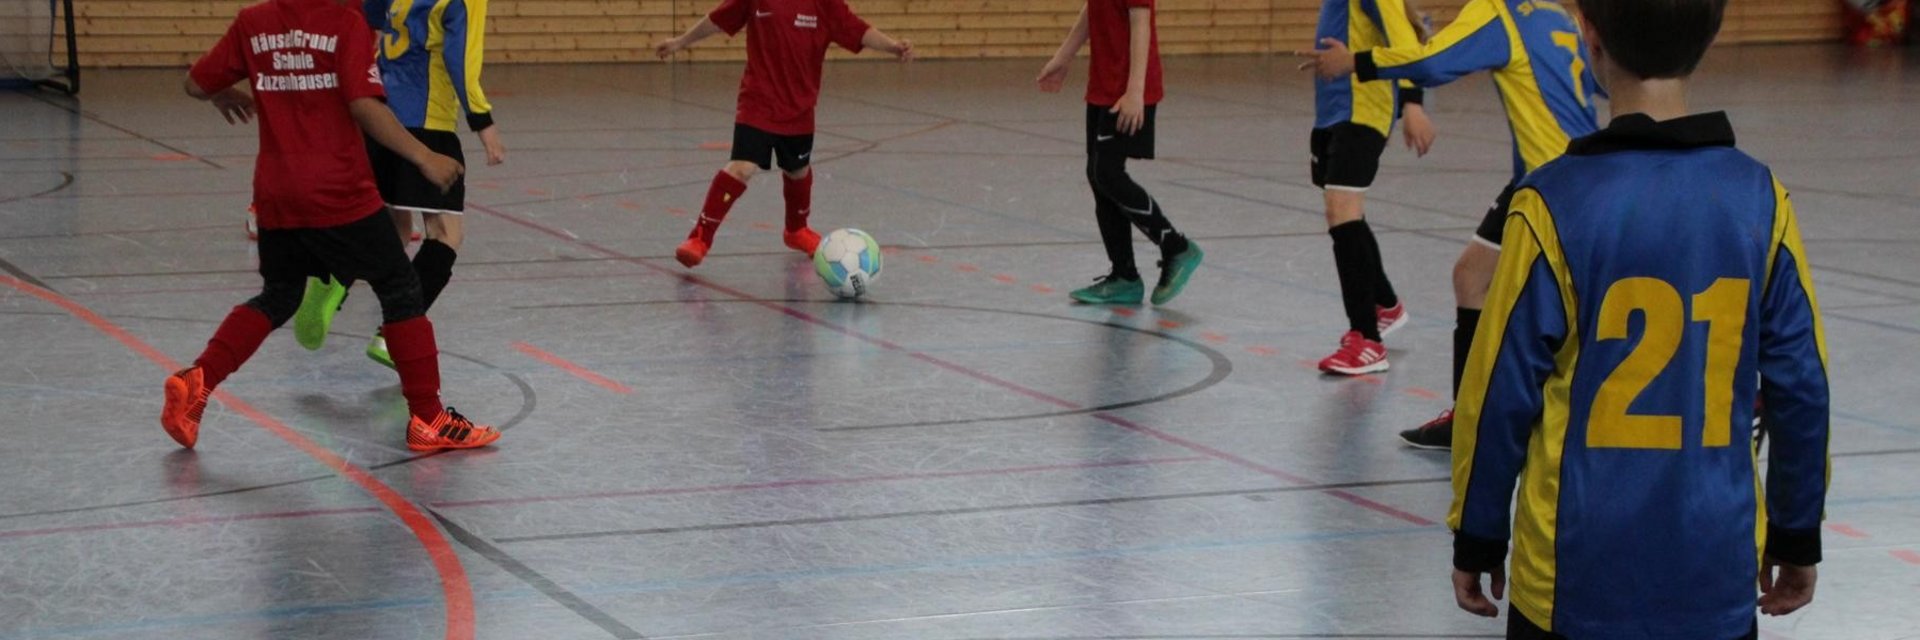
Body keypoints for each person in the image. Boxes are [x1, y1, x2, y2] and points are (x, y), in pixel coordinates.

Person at [1444, 0, 1830, 635]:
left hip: (1573, 575)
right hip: (1715, 567)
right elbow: (1802, 389)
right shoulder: (1762, 198)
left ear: (1588, 33)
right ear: (1713, 33)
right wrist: (1796, 533)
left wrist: (1478, 534)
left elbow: (1498, 392)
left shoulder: (1548, 201)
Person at [164, 0, 501, 452]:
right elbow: (364, 104)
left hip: (277, 191)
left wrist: (223, 93)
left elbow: (195, 83)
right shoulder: (346, 22)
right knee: (400, 288)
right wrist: (424, 157)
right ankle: (428, 419)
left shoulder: (253, 22)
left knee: (279, 294)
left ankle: (196, 382)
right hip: (338, 189)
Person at [1298, 0, 1602, 442]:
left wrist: (1356, 62)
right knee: (1471, 276)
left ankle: (1585, 417)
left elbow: (1432, 62)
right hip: (1559, 171)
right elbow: (1601, 80)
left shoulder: (1499, 11)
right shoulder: (1557, 14)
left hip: (1554, 183)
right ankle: (1470, 417)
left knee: (1570, 306)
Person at [294, 0, 509, 369]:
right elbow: (460, 61)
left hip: (378, 117)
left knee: (391, 223)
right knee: (445, 233)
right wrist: (482, 121)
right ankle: (395, 335)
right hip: (427, 122)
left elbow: (365, 21)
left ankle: (334, 276)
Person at [656, 0, 913, 268]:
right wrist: (679, 42)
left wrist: (892, 46)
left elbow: (857, 30)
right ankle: (700, 238)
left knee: (798, 170)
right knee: (742, 167)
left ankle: (796, 230)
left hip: (799, 107)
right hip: (759, 102)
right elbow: (718, 20)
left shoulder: (825, 4)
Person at [1291, 0, 1435, 374]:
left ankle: (1367, 340)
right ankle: (1385, 304)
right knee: (1345, 213)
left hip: (1363, 109)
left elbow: (1406, 43)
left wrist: (1413, 104)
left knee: (1343, 213)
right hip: (1334, 110)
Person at [1037, 0, 1204, 307]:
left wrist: (1135, 91)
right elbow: (1094, 9)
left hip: (1127, 88)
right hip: (1104, 82)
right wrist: (1063, 57)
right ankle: (1124, 276)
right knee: (1097, 175)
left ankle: (1176, 247)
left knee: (1107, 173)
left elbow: (1141, 20)